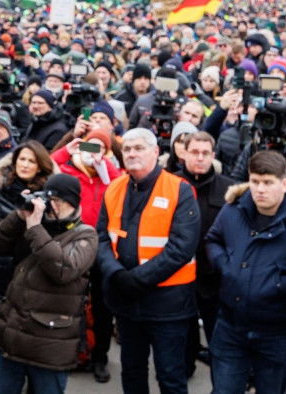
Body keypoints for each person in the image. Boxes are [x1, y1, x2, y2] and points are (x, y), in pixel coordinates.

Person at [204, 151, 286, 394]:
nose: (260, 189)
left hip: (277, 333)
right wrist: (225, 266)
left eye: (268, 183)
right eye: (255, 181)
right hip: (230, 326)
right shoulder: (233, 210)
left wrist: (280, 284)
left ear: (284, 184)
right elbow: (213, 239)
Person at [96, 128, 200, 394]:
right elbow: (101, 238)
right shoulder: (115, 187)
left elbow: (181, 248)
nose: (132, 153)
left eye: (139, 148)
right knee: (132, 371)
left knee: (170, 375)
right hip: (125, 302)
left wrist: (136, 280)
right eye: (127, 149)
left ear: (155, 152)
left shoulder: (180, 190)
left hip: (168, 305)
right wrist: (117, 274)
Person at [0, 174, 98, 394]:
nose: (50, 206)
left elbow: (64, 270)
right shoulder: (33, 223)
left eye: (56, 200)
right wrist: (19, 216)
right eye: (49, 199)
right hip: (15, 334)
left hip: (50, 343)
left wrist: (34, 229)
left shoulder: (86, 235)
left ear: (72, 203)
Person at [50, 127, 120, 382]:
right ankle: (68, 354)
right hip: (71, 244)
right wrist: (66, 150)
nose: (93, 153)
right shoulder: (68, 172)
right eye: (90, 146)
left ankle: (99, 356)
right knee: (66, 303)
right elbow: (46, 166)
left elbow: (120, 181)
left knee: (102, 308)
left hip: (101, 249)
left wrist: (104, 166)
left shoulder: (109, 176)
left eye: (100, 148)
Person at [0, 140, 57, 362]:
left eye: (31, 161)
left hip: (32, 264)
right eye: (21, 159)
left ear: (40, 165)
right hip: (1, 260)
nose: (25, 164)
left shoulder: (49, 195)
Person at [173, 131, 233, 375]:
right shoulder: (170, 184)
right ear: (184, 153)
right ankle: (184, 369)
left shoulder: (229, 188)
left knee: (218, 336)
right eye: (194, 152)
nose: (200, 158)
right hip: (177, 275)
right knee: (181, 335)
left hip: (214, 277)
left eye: (205, 153)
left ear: (213, 155)